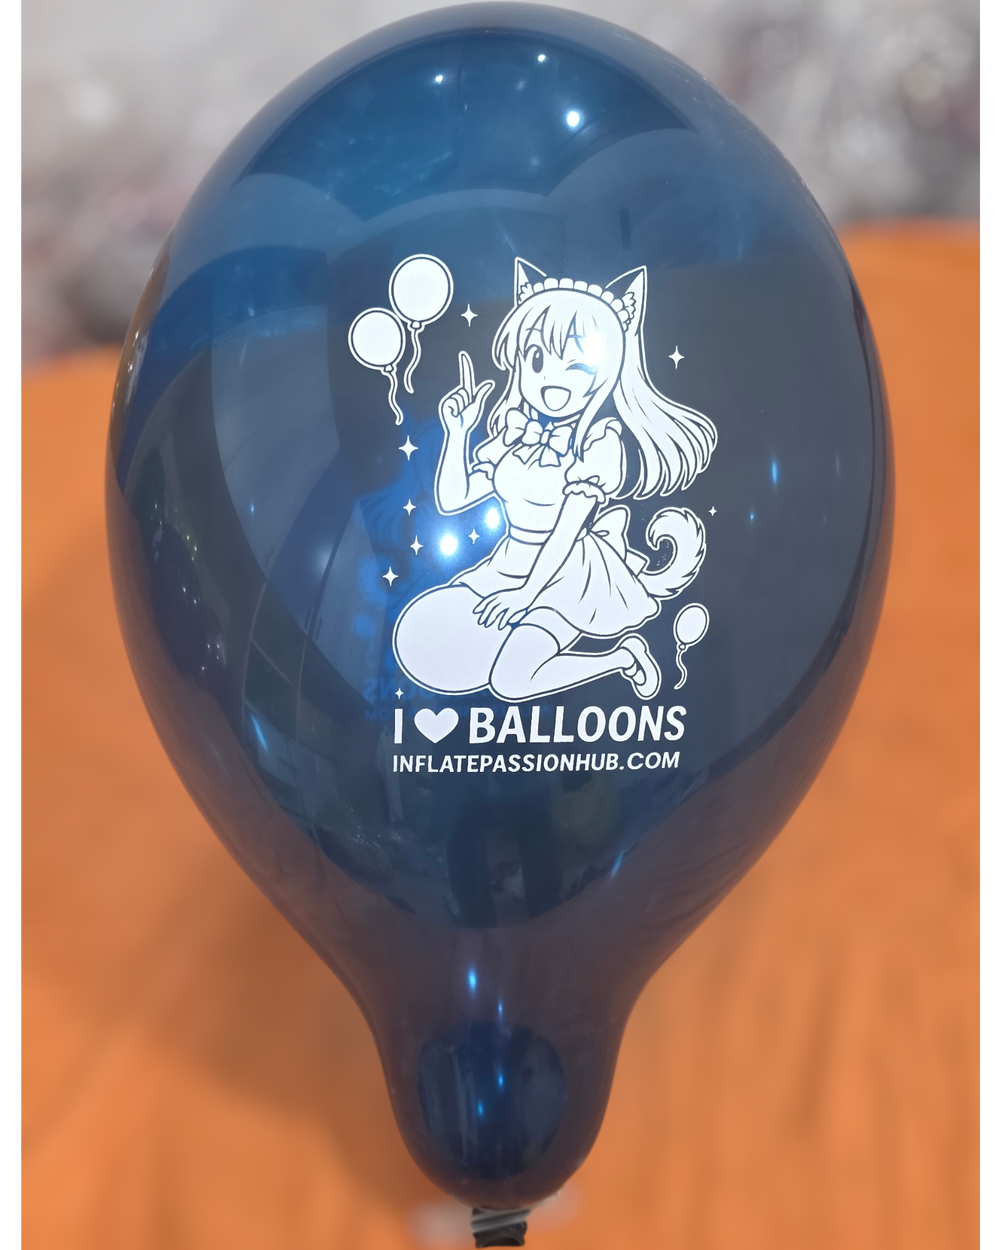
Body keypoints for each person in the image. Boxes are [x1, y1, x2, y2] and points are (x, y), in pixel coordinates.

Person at [393, 260, 717, 702]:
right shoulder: (514, 434)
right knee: (425, 636)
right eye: (538, 359)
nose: (552, 382)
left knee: (510, 682)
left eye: (578, 366)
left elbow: (565, 533)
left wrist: (527, 594)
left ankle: (622, 658)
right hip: (506, 566)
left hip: (567, 577)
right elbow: (453, 500)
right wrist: (458, 433)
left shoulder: (599, 444)